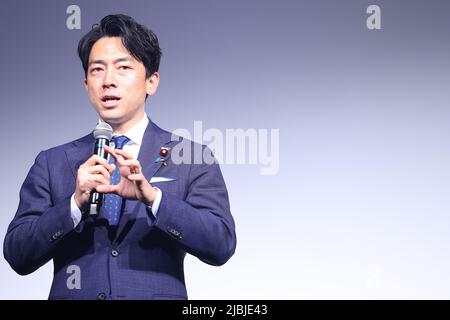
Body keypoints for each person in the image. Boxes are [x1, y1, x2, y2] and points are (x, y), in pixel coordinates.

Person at [3, 14, 236, 300]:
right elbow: (18, 254)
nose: (108, 81)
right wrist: (74, 204)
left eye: (123, 67)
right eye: (97, 70)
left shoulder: (191, 157)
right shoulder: (51, 162)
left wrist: (153, 198)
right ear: (86, 83)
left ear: (151, 81)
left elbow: (220, 244)